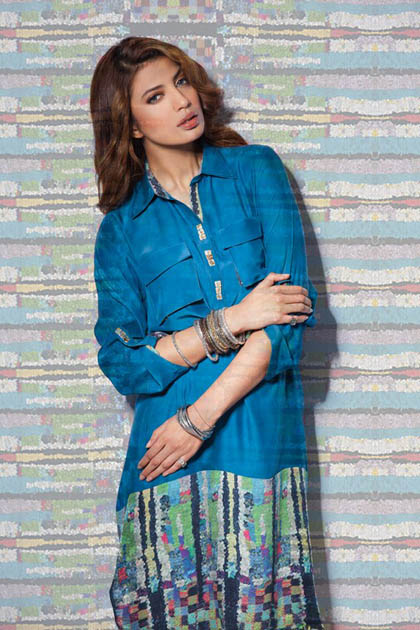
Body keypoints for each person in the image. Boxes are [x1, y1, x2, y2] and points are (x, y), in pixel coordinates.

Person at [90, 35, 324, 630]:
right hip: (164, 459)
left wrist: (197, 418)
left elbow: (290, 324)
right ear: (130, 124)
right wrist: (232, 320)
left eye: (181, 82)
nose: (182, 100)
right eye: (156, 96)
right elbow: (125, 363)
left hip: (256, 448)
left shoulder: (256, 171)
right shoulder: (120, 230)